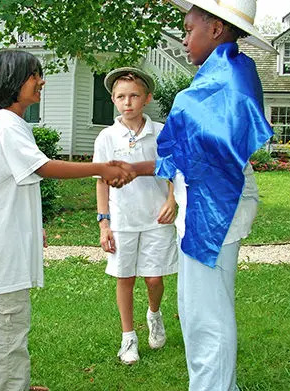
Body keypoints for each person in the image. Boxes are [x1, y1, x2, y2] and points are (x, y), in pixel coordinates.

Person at [120, 0, 276, 390]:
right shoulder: (224, 74)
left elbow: (212, 158)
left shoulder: (228, 81)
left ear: (217, 29)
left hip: (214, 206)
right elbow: (191, 151)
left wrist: (146, 170)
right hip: (208, 201)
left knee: (207, 314)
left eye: (190, 30)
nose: (184, 38)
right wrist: (137, 169)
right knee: (200, 308)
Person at [0, 50, 134, 391]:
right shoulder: (6, 121)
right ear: (12, 82)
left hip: (13, 237)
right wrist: (100, 167)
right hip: (3, 244)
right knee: (9, 320)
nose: (42, 81)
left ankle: (17, 383)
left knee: (16, 319)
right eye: (35, 75)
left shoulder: (13, 123)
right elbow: (42, 167)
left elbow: (19, 182)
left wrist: (34, 227)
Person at [93, 67, 178, 365]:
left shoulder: (162, 131)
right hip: (122, 221)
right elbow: (101, 181)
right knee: (125, 277)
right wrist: (105, 223)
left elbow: (172, 169)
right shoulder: (107, 137)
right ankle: (128, 338)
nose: (127, 102)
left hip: (157, 218)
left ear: (147, 98)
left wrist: (172, 199)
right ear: (114, 100)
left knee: (154, 278)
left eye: (133, 96)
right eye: (120, 97)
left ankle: (154, 315)